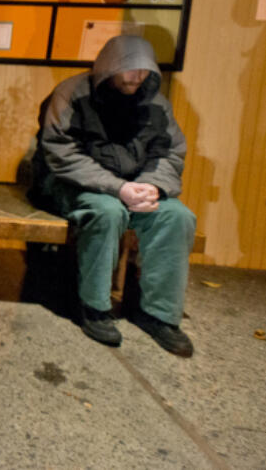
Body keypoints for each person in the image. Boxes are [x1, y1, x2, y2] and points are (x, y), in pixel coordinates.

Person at [32, 34, 195, 356]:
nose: (137, 76)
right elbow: (60, 152)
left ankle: (159, 315)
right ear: (108, 67)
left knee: (177, 217)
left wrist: (153, 185)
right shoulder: (72, 94)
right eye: (129, 69)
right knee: (107, 212)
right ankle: (93, 306)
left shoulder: (157, 104)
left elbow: (170, 153)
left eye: (144, 70)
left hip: (135, 186)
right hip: (77, 185)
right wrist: (116, 187)